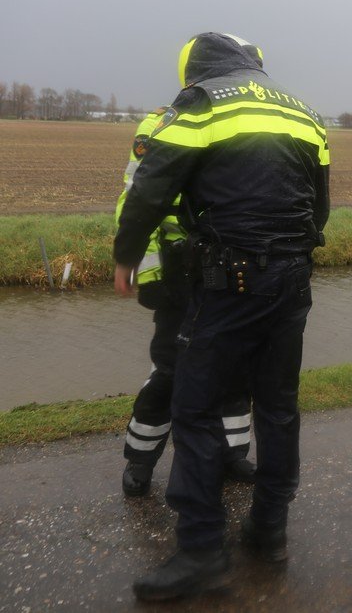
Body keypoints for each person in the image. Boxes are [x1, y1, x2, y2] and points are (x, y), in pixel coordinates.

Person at [115, 32, 330, 601]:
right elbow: (321, 204)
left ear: (197, 68)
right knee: (279, 406)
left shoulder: (202, 102)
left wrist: (126, 257)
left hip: (230, 279)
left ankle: (203, 550)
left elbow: (150, 190)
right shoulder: (303, 111)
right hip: (294, 279)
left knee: (195, 405)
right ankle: (269, 530)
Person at [117, 106, 255, 498]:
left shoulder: (246, 118)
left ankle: (232, 454)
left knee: (234, 368)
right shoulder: (161, 124)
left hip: (231, 268)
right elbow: (135, 202)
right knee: (170, 371)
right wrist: (148, 273)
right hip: (179, 272)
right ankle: (140, 460)